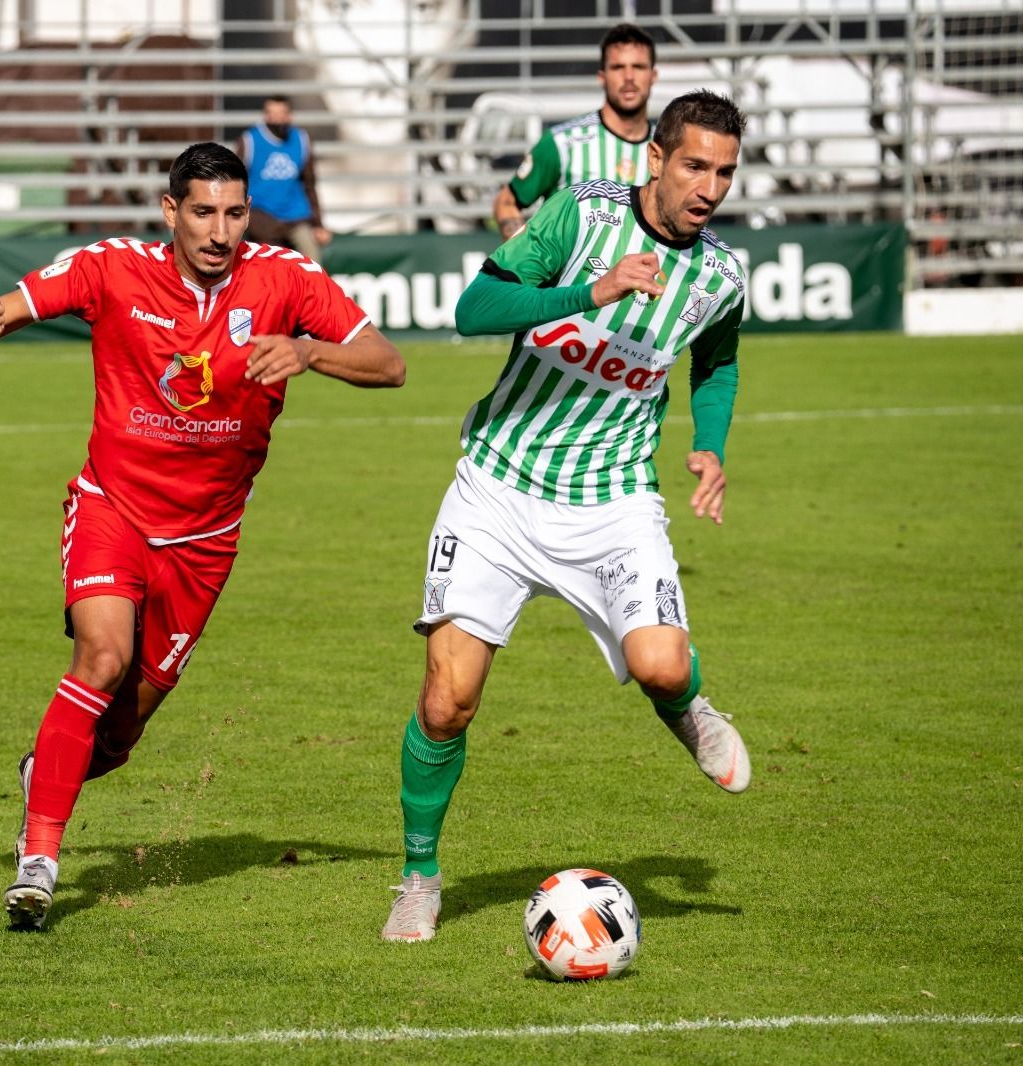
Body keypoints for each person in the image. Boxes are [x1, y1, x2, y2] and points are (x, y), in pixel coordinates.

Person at [0, 142, 405, 930]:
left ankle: (48, 771)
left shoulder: (285, 278)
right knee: (102, 657)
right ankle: (39, 863)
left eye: (234, 213)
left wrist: (309, 351)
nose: (219, 230)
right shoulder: (115, 266)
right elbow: (16, 307)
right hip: (114, 509)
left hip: (206, 539)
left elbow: (387, 362)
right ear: (171, 211)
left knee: (123, 728)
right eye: (203, 212)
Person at [382, 90, 752, 943]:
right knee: (447, 701)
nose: (708, 187)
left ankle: (690, 709)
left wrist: (713, 443)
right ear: (656, 159)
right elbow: (473, 312)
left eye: (725, 172)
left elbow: (718, 364)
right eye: (694, 164)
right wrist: (590, 290)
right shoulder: (577, 219)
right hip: (499, 489)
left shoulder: (722, 273)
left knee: (662, 667)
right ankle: (419, 877)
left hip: (613, 498)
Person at [493, 23, 659, 240]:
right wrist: (528, 261)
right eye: (618, 67)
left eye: (638, 67)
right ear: (602, 76)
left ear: (653, 75)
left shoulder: (665, 150)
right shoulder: (563, 143)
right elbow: (506, 203)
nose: (628, 77)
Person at [238, 96, 332, 261]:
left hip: (295, 216)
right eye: (272, 114)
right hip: (262, 216)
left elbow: (309, 183)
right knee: (271, 263)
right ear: (265, 116)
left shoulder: (301, 139)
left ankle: (311, 287)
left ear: (289, 116)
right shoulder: (250, 140)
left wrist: (318, 224)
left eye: (281, 113)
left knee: (312, 260)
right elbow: (236, 182)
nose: (277, 119)